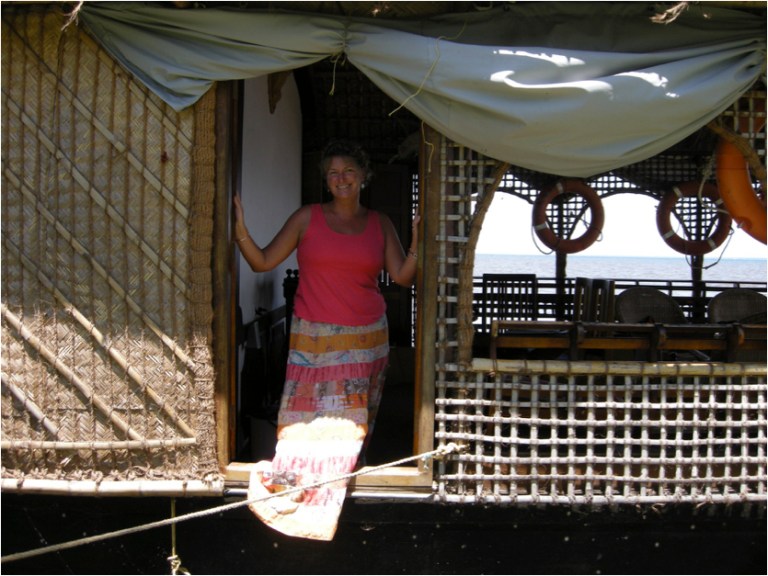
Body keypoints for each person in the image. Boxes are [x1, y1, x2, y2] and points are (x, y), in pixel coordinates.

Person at [233, 139, 420, 540]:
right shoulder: (306, 218)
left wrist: (419, 242)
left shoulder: (380, 222)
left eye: (349, 171)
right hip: (313, 342)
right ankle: (303, 493)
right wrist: (240, 232)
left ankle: (346, 496)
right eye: (333, 172)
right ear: (325, 179)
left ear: (364, 176)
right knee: (303, 426)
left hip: (368, 340)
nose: (341, 179)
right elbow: (263, 261)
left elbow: (402, 276)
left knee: (353, 427)